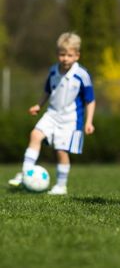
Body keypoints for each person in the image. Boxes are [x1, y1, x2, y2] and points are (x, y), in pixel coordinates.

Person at [9, 32, 96, 195]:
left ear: (77, 56)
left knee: (61, 151)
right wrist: (38, 105)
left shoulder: (82, 75)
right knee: (35, 135)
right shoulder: (53, 71)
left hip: (70, 119)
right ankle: (25, 172)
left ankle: (61, 186)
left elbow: (90, 100)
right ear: (58, 54)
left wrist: (89, 122)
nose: (65, 58)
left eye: (69, 55)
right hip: (51, 114)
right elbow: (48, 91)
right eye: (62, 54)